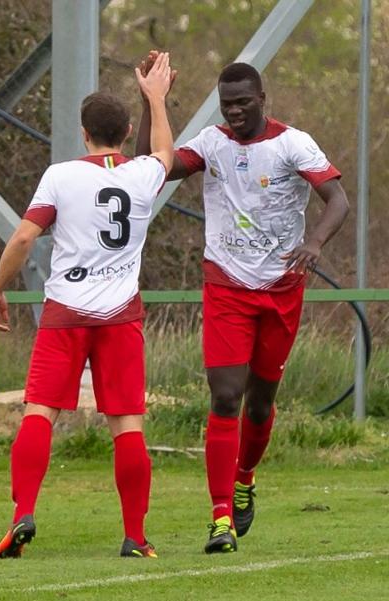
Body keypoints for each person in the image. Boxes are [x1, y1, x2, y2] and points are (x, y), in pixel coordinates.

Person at [135, 56, 349, 554]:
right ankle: (220, 518)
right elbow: (154, 166)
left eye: (242, 103)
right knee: (226, 394)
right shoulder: (212, 144)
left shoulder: (293, 143)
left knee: (260, 401)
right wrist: (153, 100)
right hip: (227, 284)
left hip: (281, 288)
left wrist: (314, 243)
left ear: (261, 99)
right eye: (225, 103)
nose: (233, 111)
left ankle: (245, 478)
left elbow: (337, 200)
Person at [0, 53, 175, 558]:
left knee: (39, 412)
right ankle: (134, 536)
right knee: (127, 423)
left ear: (84, 132)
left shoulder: (61, 175)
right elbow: (165, 152)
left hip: (65, 311)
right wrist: (157, 97)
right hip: (120, 314)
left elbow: (26, 237)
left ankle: (23, 512)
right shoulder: (141, 176)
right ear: (125, 129)